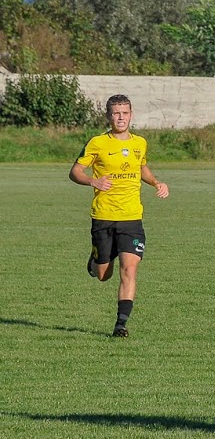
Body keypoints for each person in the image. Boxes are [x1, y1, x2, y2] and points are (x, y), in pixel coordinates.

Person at [69, 94, 169, 337]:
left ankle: (120, 325)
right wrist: (93, 180)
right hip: (103, 215)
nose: (121, 117)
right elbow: (75, 171)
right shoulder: (97, 143)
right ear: (108, 116)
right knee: (103, 274)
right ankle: (96, 261)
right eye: (116, 113)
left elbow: (141, 167)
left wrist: (156, 183)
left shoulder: (140, 143)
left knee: (130, 269)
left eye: (125, 112)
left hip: (132, 217)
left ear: (131, 115)